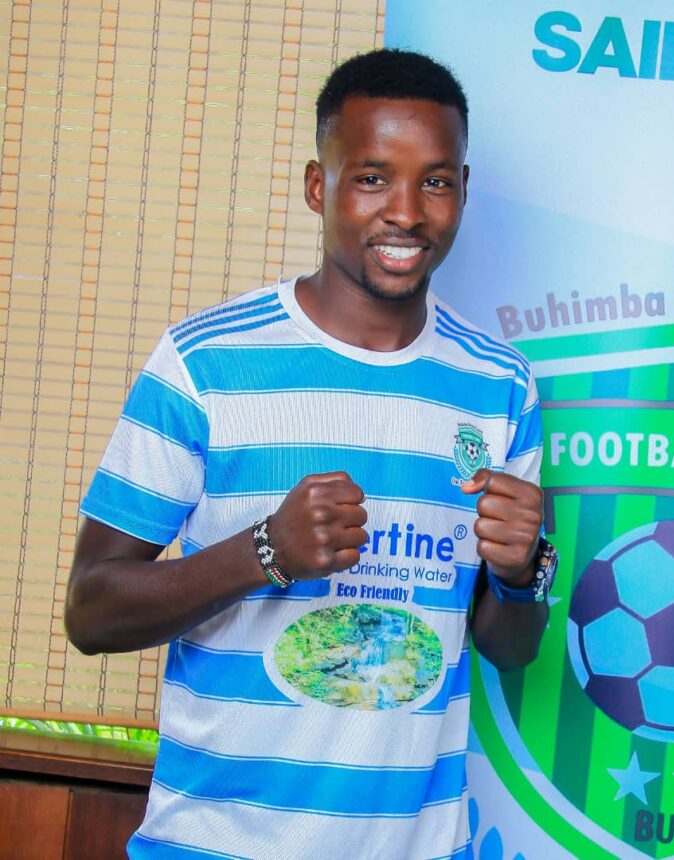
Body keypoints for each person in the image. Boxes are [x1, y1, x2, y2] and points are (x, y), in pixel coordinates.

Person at [65, 48, 558, 859]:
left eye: (435, 181)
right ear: (317, 187)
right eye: (372, 178)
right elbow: (91, 612)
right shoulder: (204, 363)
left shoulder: (500, 385)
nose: (407, 212)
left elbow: (512, 646)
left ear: (464, 191)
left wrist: (520, 573)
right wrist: (265, 552)